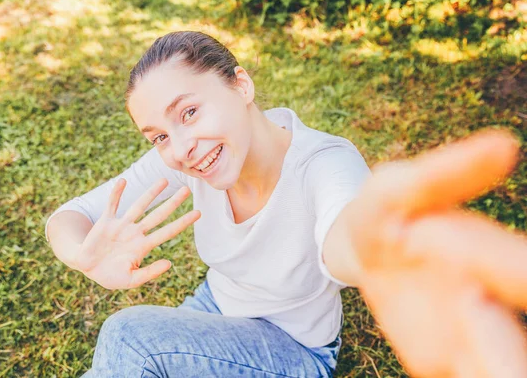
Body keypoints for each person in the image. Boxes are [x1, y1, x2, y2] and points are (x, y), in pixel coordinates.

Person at [45, 31, 527, 378]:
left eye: (190, 112)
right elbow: (70, 217)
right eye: (159, 137)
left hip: (293, 349)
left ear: (241, 85)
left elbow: (344, 238)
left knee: (131, 339)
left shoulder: (323, 164)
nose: (181, 148)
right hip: (216, 309)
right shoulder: (189, 157)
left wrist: (374, 245)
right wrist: (80, 255)